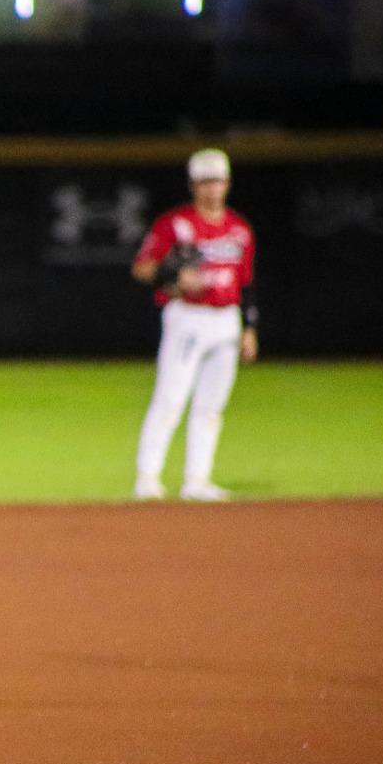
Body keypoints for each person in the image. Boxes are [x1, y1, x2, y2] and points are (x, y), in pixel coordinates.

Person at [130, 147, 259, 502]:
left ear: (227, 183)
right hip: (187, 316)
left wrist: (249, 328)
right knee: (170, 398)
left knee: (211, 405)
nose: (212, 188)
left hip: (226, 320)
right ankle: (147, 477)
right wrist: (173, 276)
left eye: (217, 180)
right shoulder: (175, 224)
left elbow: (246, 283)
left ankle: (197, 480)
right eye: (205, 181)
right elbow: (142, 268)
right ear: (193, 185)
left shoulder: (239, 230)